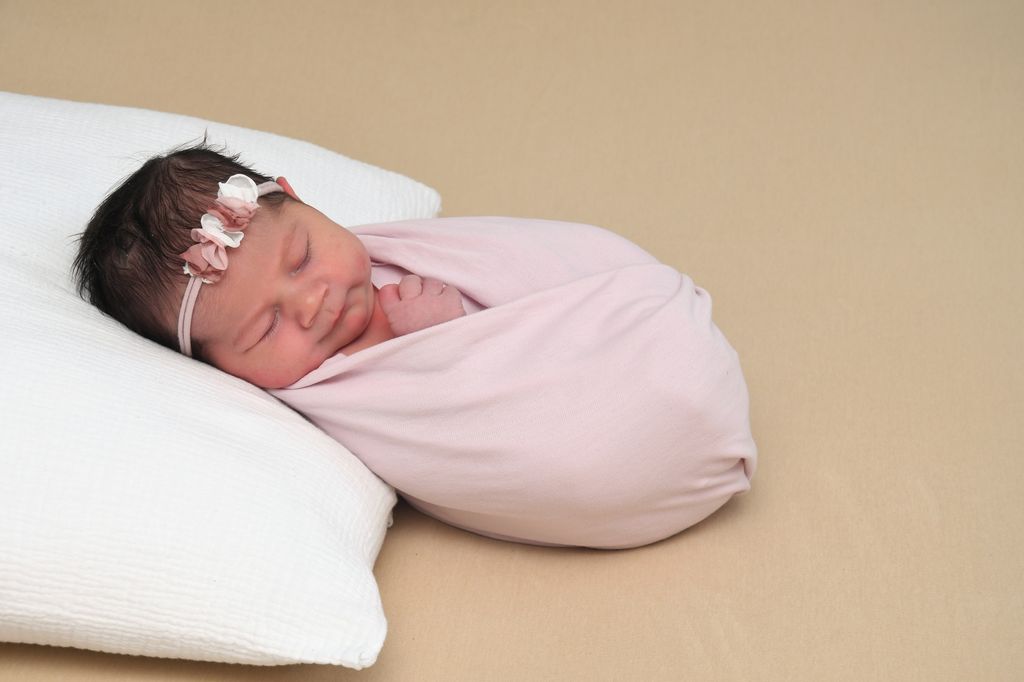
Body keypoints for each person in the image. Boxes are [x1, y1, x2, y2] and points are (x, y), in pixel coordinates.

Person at [73, 142, 468, 389]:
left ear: (298, 199)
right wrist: (441, 342)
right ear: (213, 366)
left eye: (301, 259)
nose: (310, 305)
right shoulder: (327, 395)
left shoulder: (405, 248)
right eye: (266, 328)